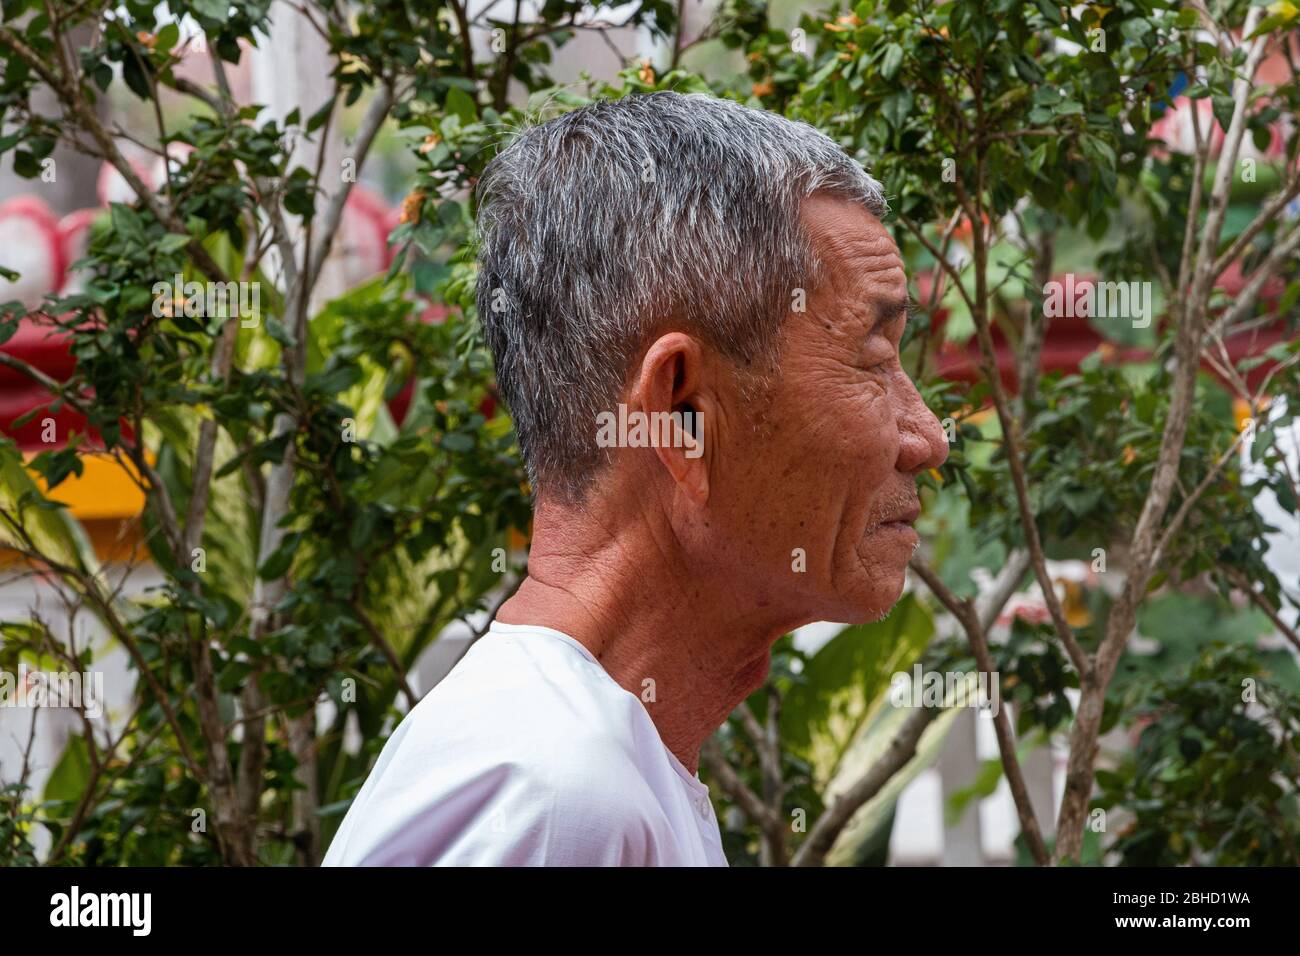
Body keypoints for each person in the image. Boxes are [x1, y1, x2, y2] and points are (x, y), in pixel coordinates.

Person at [322, 91, 948, 867]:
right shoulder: (549, 799)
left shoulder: (594, 765)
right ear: (681, 412)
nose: (926, 437)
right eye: (873, 358)